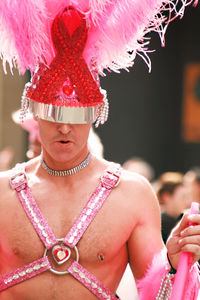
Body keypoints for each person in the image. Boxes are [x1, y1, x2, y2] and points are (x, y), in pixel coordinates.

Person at [0, 1, 199, 300]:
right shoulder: (3, 193)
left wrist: (171, 262)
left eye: (77, 117)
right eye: (55, 114)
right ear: (34, 114)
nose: (65, 128)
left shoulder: (132, 194)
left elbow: (157, 294)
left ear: (95, 115)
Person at [157, 172, 192, 243]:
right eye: (183, 197)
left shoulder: (186, 222)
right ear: (166, 197)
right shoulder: (157, 226)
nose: (188, 202)